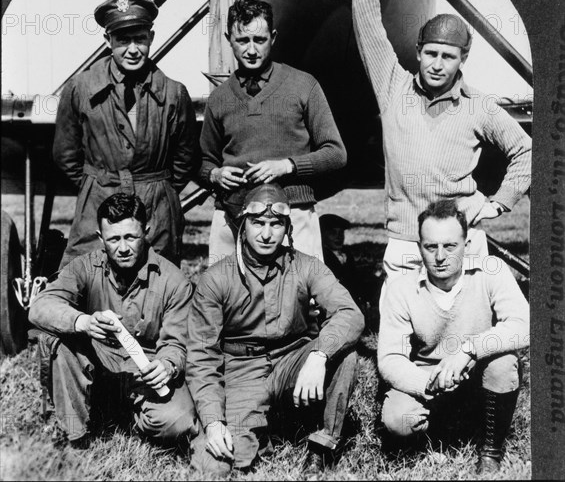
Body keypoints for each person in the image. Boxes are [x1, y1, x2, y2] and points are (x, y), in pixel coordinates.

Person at [352, 0, 531, 282]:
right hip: (406, 243)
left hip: (461, 240)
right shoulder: (392, 86)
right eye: (431, 53)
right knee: (400, 334)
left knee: (465, 332)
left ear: (463, 59)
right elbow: (368, 24)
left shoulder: (479, 105)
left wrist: (500, 202)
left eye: (448, 56)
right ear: (418, 51)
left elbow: (527, 150)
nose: (437, 64)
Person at [185, 183, 364, 477]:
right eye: (258, 223)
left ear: (287, 228)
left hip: (293, 360)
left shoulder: (307, 266)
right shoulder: (216, 278)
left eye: (276, 224)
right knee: (216, 464)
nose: (266, 234)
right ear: (243, 224)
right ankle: (268, 428)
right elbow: (202, 357)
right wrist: (214, 421)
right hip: (241, 370)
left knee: (344, 354)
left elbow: (350, 314)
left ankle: (322, 447)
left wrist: (319, 356)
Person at [28, 193, 198, 449]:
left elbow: (178, 343)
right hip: (97, 364)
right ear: (100, 238)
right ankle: (76, 436)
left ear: (147, 232)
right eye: (114, 239)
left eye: (131, 237)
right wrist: (82, 322)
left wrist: (167, 365)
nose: (123, 247)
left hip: (144, 372)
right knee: (55, 341)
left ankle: (118, 414)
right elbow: (40, 306)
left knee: (178, 423)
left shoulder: (174, 281)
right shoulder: (84, 267)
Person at [377, 199, 529, 474]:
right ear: (418, 247)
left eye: (450, 246)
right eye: (431, 246)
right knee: (398, 419)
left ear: (467, 245)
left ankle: (490, 450)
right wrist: (427, 382)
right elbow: (390, 358)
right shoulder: (401, 289)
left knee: (504, 363)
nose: (440, 256)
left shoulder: (491, 270)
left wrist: (469, 350)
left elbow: (523, 325)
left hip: (477, 372)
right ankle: (432, 435)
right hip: (430, 378)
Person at [54, 0, 200, 268]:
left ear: (151, 38)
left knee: (157, 288)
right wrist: (98, 184)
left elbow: (186, 158)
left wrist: (156, 188)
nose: (133, 49)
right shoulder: (80, 89)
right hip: (97, 203)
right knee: (86, 280)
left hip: (156, 209)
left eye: (140, 38)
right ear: (108, 41)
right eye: (123, 40)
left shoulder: (174, 93)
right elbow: (66, 154)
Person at [199, 0, 347, 263]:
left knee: (300, 298)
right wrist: (215, 174)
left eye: (260, 40)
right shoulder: (219, 98)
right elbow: (203, 161)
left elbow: (336, 153)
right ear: (228, 39)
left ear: (274, 37)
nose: (252, 50)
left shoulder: (303, 86)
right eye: (243, 41)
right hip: (232, 214)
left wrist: (287, 166)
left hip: (293, 213)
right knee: (226, 298)